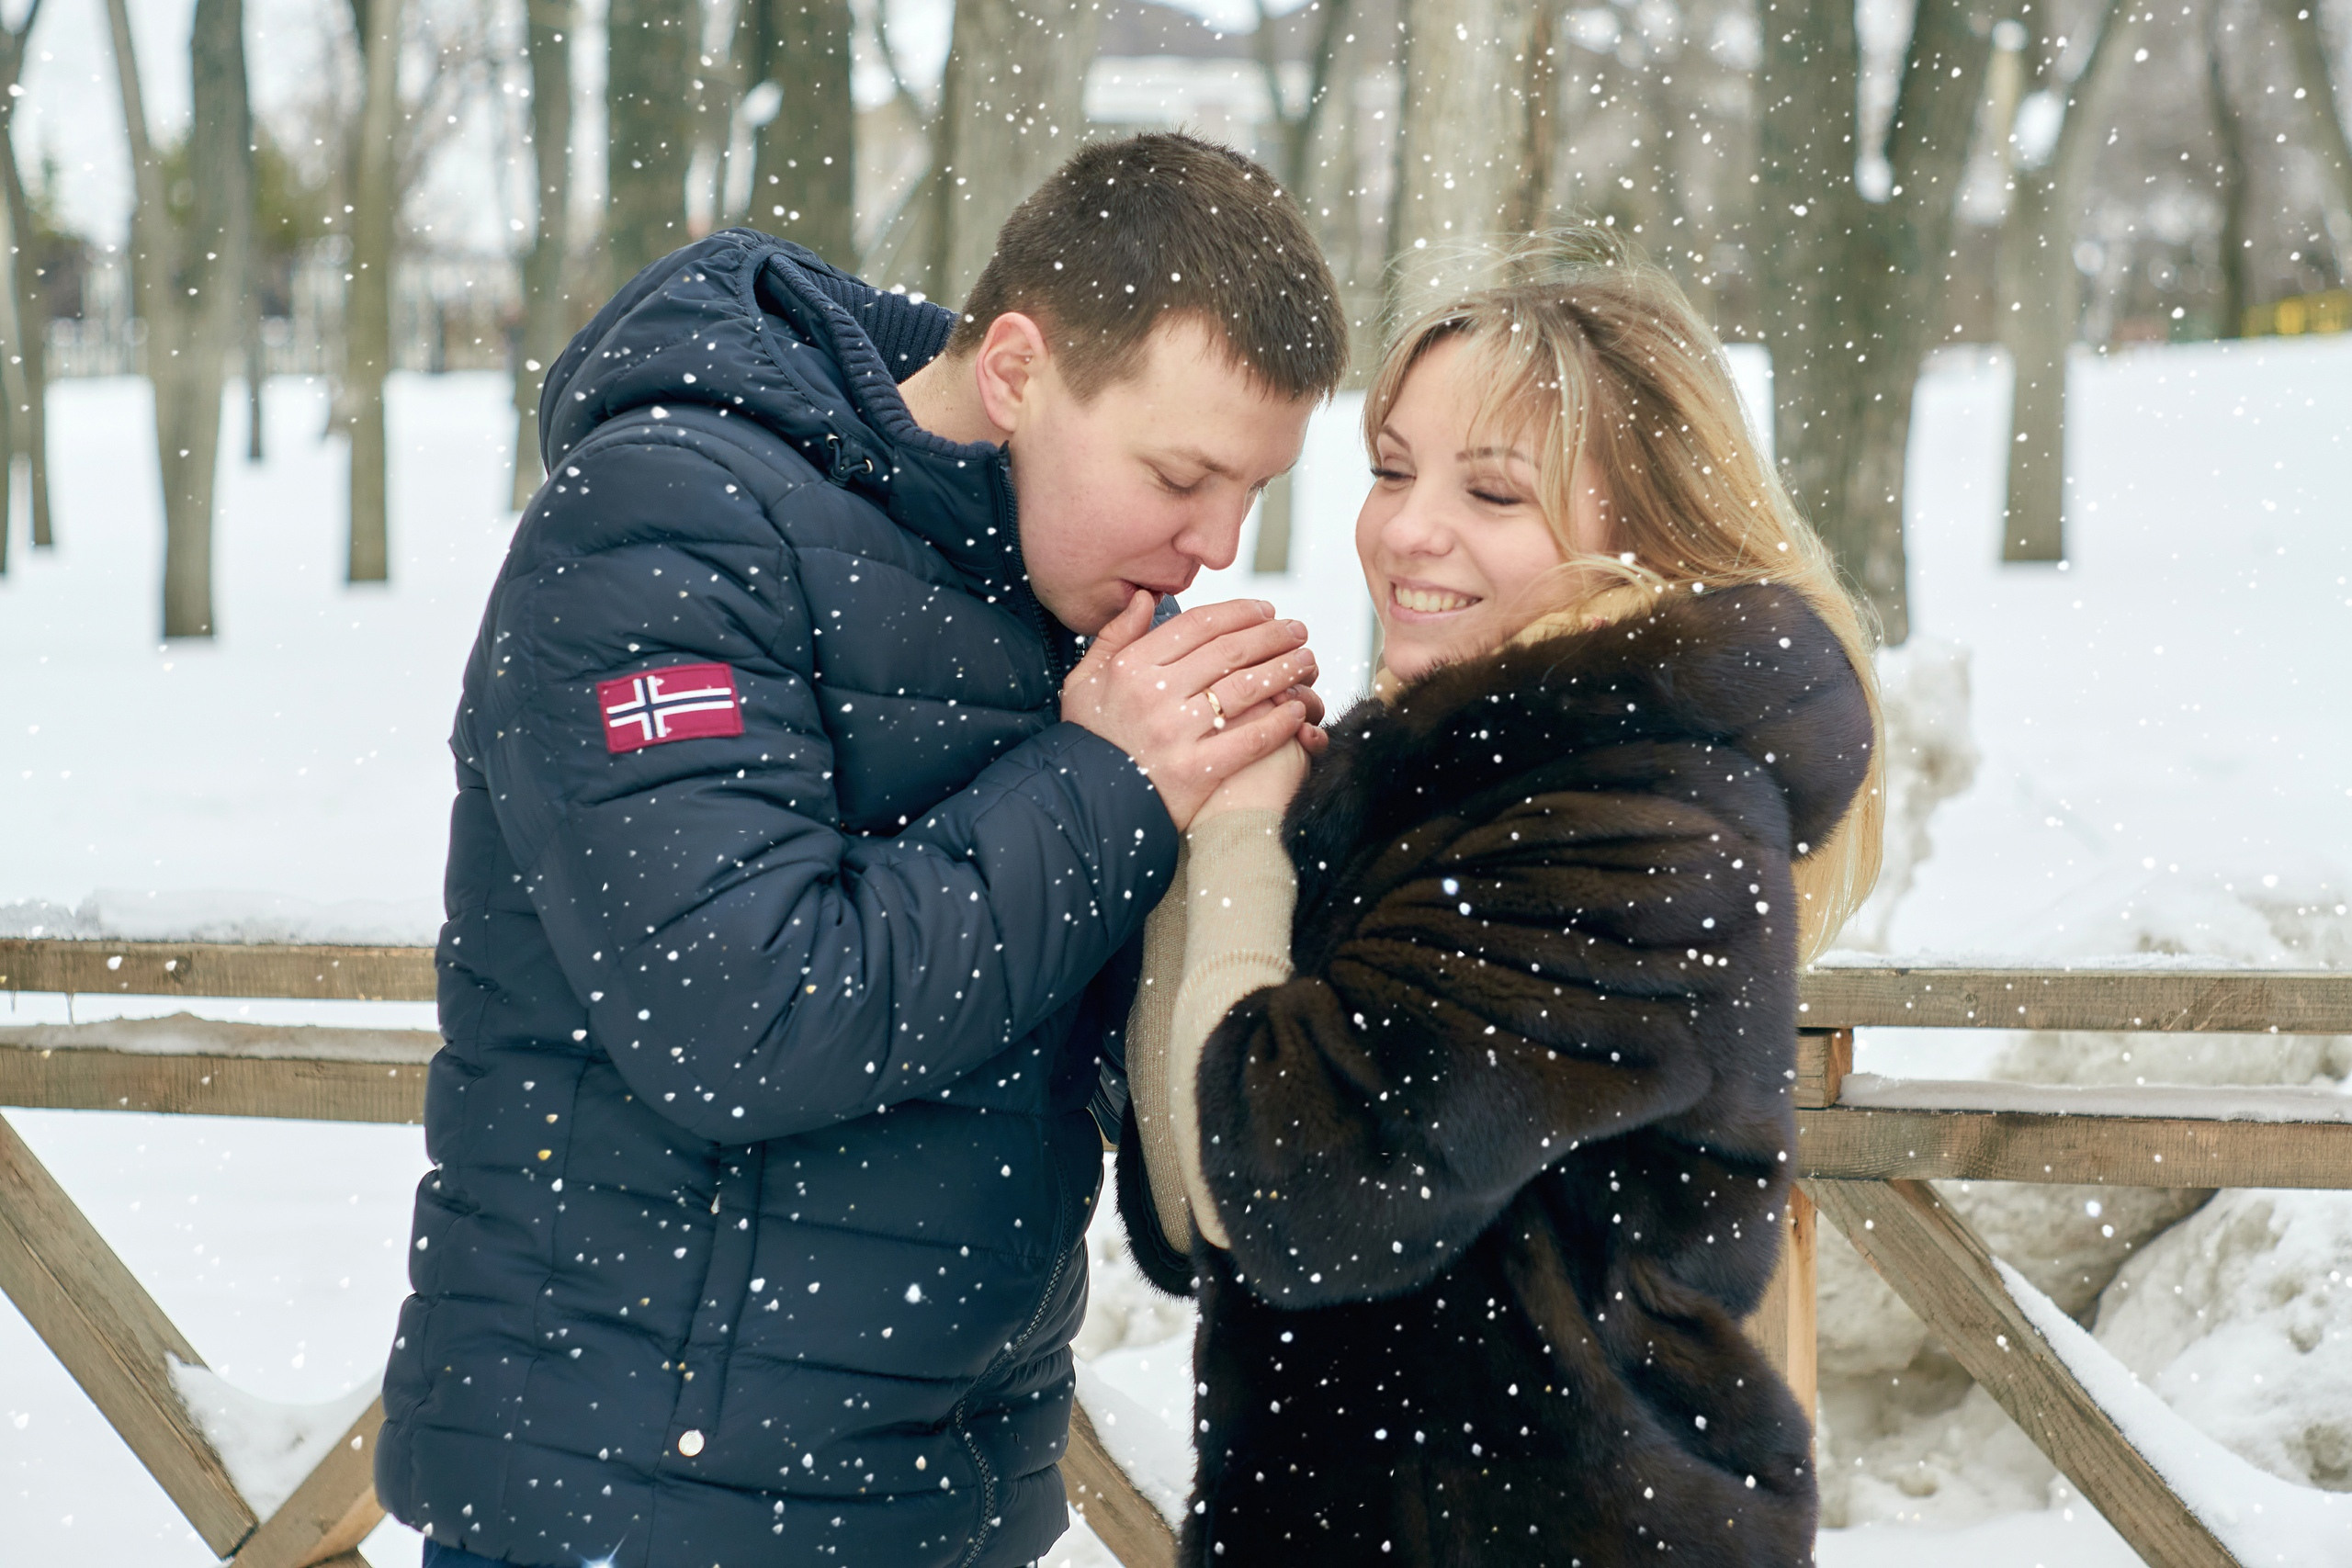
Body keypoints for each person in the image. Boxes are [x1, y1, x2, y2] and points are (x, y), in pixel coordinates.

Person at [376, 131, 1347, 1568]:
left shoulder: (1063, 603)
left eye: (1251, 494)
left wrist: (1242, 837)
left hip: (938, 1502)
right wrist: (1113, 782)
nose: (1216, 544)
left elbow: (1105, 1094)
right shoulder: (663, 523)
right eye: (1182, 475)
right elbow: (739, 1018)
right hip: (643, 1503)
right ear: (1016, 372)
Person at [1118, 231, 1885, 1566]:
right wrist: (1199, 830)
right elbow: (1196, 1207)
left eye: (1494, 492)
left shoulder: (1632, 826)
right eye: (1392, 470)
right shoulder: (1435, 801)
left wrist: (1246, 842)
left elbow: (1296, 1194)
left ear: (1641, 528)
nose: (1410, 529)